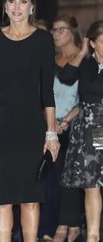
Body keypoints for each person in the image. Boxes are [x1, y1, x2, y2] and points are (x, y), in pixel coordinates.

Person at [0, 0, 60, 241]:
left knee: (30, 200)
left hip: (31, 128)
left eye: (23, 1)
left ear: (32, 7)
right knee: (1, 201)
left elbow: (47, 91)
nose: (17, 6)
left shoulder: (43, 40)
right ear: (5, 7)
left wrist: (51, 133)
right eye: (11, 1)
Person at [39, 15, 85, 242]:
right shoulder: (50, 59)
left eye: (61, 30)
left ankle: (71, 225)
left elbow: (89, 95)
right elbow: (42, 93)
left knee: (71, 177)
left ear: (73, 32)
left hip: (74, 124)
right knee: (55, 178)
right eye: (54, 30)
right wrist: (51, 122)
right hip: (50, 124)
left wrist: (66, 121)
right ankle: (63, 224)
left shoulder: (84, 60)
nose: (55, 34)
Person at [60, 20, 103, 242]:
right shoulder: (85, 64)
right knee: (90, 183)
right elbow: (66, 76)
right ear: (93, 43)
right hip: (88, 128)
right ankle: (93, 235)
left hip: (101, 126)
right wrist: (83, 51)